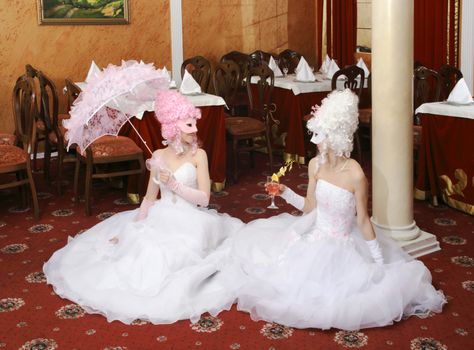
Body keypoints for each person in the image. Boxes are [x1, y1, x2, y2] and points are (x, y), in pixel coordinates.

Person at [227, 89, 446, 330]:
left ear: (335, 135)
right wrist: (285, 192)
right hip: (315, 234)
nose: (314, 140)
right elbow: (311, 208)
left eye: (319, 135)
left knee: (340, 295)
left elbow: (363, 220)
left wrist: (379, 262)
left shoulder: (355, 174)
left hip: (343, 242)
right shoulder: (315, 165)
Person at [43, 90, 244, 325]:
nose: (195, 130)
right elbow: (149, 198)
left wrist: (175, 185)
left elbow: (205, 199)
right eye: (189, 125)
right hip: (162, 214)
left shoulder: (199, 155)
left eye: (195, 124)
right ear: (174, 128)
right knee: (143, 251)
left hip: (192, 219)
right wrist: (134, 226)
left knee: (183, 251)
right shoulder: (158, 155)